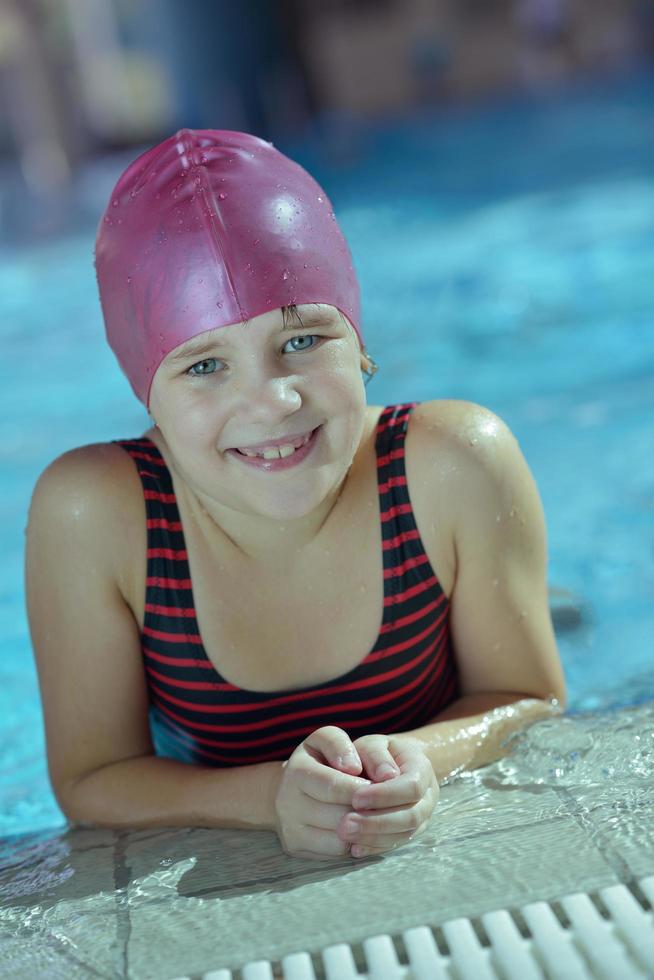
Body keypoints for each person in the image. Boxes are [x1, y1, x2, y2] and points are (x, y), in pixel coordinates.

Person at [25, 128, 566, 861]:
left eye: (304, 340)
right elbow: (95, 779)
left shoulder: (454, 464)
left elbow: (526, 697)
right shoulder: (98, 514)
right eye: (205, 365)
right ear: (146, 394)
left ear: (361, 345)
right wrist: (268, 797)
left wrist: (423, 762)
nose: (273, 402)